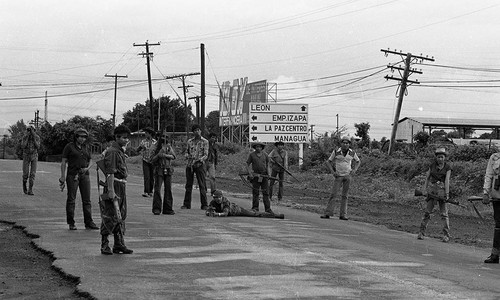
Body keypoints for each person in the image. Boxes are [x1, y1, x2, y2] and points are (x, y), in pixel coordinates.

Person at [100, 125, 133, 255]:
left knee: (120, 215)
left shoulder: (119, 151)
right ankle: (104, 244)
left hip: (121, 185)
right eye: (124, 138)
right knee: (110, 215)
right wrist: (111, 190)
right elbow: (110, 173)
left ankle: (119, 244)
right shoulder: (113, 151)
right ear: (117, 137)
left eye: (127, 138)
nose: (126, 140)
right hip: (114, 185)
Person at [59, 128, 98, 231]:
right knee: (71, 199)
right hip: (73, 175)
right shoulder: (69, 147)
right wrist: (63, 176)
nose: (82, 139)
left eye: (85, 137)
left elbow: (90, 160)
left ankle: (89, 222)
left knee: (87, 200)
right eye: (80, 136)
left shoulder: (86, 147)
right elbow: (63, 162)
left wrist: (87, 168)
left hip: (85, 174)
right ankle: (71, 222)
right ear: (76, 137)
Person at [320, 136, 360, 220]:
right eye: (344, 143)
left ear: (349, 144)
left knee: (345, 196)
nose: (345, 144)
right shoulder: (336, 152)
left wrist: (354, 170)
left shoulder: (352, 152)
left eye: (347, 143)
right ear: (341, 144)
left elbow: (358, 161)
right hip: (338, 176)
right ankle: (328, 213)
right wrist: (332, 172)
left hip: (347, 176)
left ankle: (343, 215)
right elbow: (328, 162)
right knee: (333, 194)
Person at [417, 148, 452, 242]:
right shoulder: (432, 166)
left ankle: (446, 235)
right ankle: (421, 232)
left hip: (442, 192)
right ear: (436, 157)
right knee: (427, 212)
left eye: (442, 157)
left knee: (444, 214)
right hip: (432, 191)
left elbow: (447, 181)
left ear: (445, 158)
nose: (440, 159)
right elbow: (427, 178)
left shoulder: (447, 167)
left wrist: (447, 194)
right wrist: (424, 189)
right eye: (438, 157)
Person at [182, 124, 209, 210]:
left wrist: (200, 160)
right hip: (190, 165)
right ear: (193, 132)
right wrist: (187, 156)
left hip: (199, 165)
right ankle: (186, 204)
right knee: (188, 185)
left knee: (202, 184)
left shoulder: (205, 141)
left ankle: (204, 204)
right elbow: (186, 152)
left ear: (200, 131)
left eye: (198, 130)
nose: (197, 132)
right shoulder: (190, 141)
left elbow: (206, 154)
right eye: (195, 130)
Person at [206, 190, 284, 219]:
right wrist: (209, 212)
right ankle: (253, 210)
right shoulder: (213, 202)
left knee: (255, 215)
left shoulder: (225, 202)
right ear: (214, 198)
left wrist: (217, 214)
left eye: (220, 197)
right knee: (252, 212)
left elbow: (225, 213)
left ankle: (276, 215)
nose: (218, 199)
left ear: (222, 197)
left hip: (238, 210)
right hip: (235, 211)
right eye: (217, 198)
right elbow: (208, 211)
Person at [150, 132, 176, 215]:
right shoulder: (154, 146)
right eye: (163, 137)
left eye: (166, 137)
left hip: (168, 169)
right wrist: (158, 155)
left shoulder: (168, 146)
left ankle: (168, 208)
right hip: (159, 169)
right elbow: (151, 159)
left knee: (168, 189)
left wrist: (165, 155)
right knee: (157, 189)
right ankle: (157, 208)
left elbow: (174, 156)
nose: (164, 139)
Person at [482, 151, 500, 263]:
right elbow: (489, 175)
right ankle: (495, 254)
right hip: (497, 193)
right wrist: (485, 192)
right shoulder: (494, 157)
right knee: (498, 225)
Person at [246, 141, 273, 213]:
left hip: (264, 175)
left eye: (260, 147)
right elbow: (247, 164)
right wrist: (250, 173)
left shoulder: (265, 155)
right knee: (255, 192)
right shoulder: (252, 155)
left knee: (266, 192)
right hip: (255, 175)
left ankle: (268, 209)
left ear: (262, 148)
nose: (258, 148)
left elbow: (268, 165)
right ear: (255, 148)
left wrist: (269, 174)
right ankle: (255, 208)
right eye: (257, 147)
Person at [136, 127, 156, 197]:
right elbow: (138, 149)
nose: (145, 134)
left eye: (146, 133)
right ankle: (146, 191)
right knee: (146, 176)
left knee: (152, 176)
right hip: (145, 160)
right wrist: (140, 150)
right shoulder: (143, 142)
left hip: (153, 161)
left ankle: (151, 191)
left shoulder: (155, 142)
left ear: (150, 134)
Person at [21, 125, 40, 195]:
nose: (30, 131)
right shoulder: (25, 137)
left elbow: (38, 146)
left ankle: (30, 189)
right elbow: (23, 146)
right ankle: (24, 185)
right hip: (26, 156)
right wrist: (27, 137)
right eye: (28, 130)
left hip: (34, 156)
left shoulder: (37, 137)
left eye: (31, 130)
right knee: (25, 173)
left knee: (32, 174)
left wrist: (34, 138)